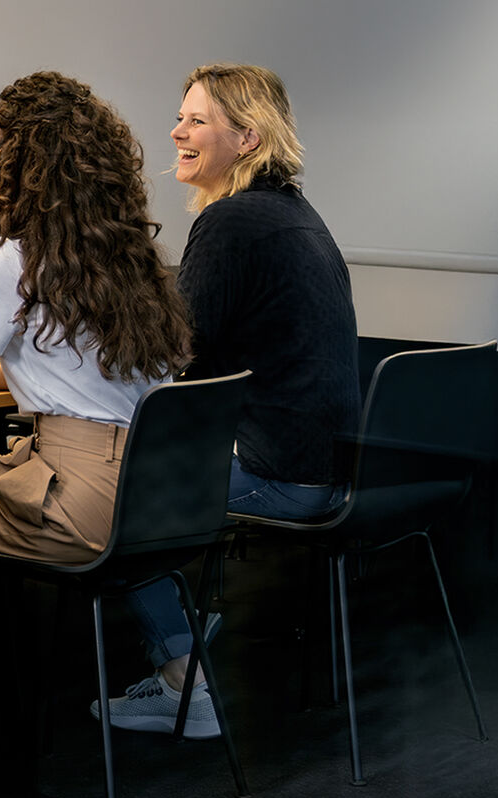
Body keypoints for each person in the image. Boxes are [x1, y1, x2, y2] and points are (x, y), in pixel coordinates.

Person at [0, 71, 196, 736]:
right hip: (157, 496)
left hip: (77, 498)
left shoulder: (16, 260)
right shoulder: (129, 255)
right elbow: (72, 373)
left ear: (20, 159)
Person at [104, 63, 360, 739]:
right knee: (137, 478)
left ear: (247, 138)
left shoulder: (231, 221)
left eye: (196, 121)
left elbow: (173, 358)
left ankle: (182, 681)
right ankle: (190, 624)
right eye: (181, 116)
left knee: (109, 495)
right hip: (325, 468)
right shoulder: (293, 214)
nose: (176, 131)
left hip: (282, 475)